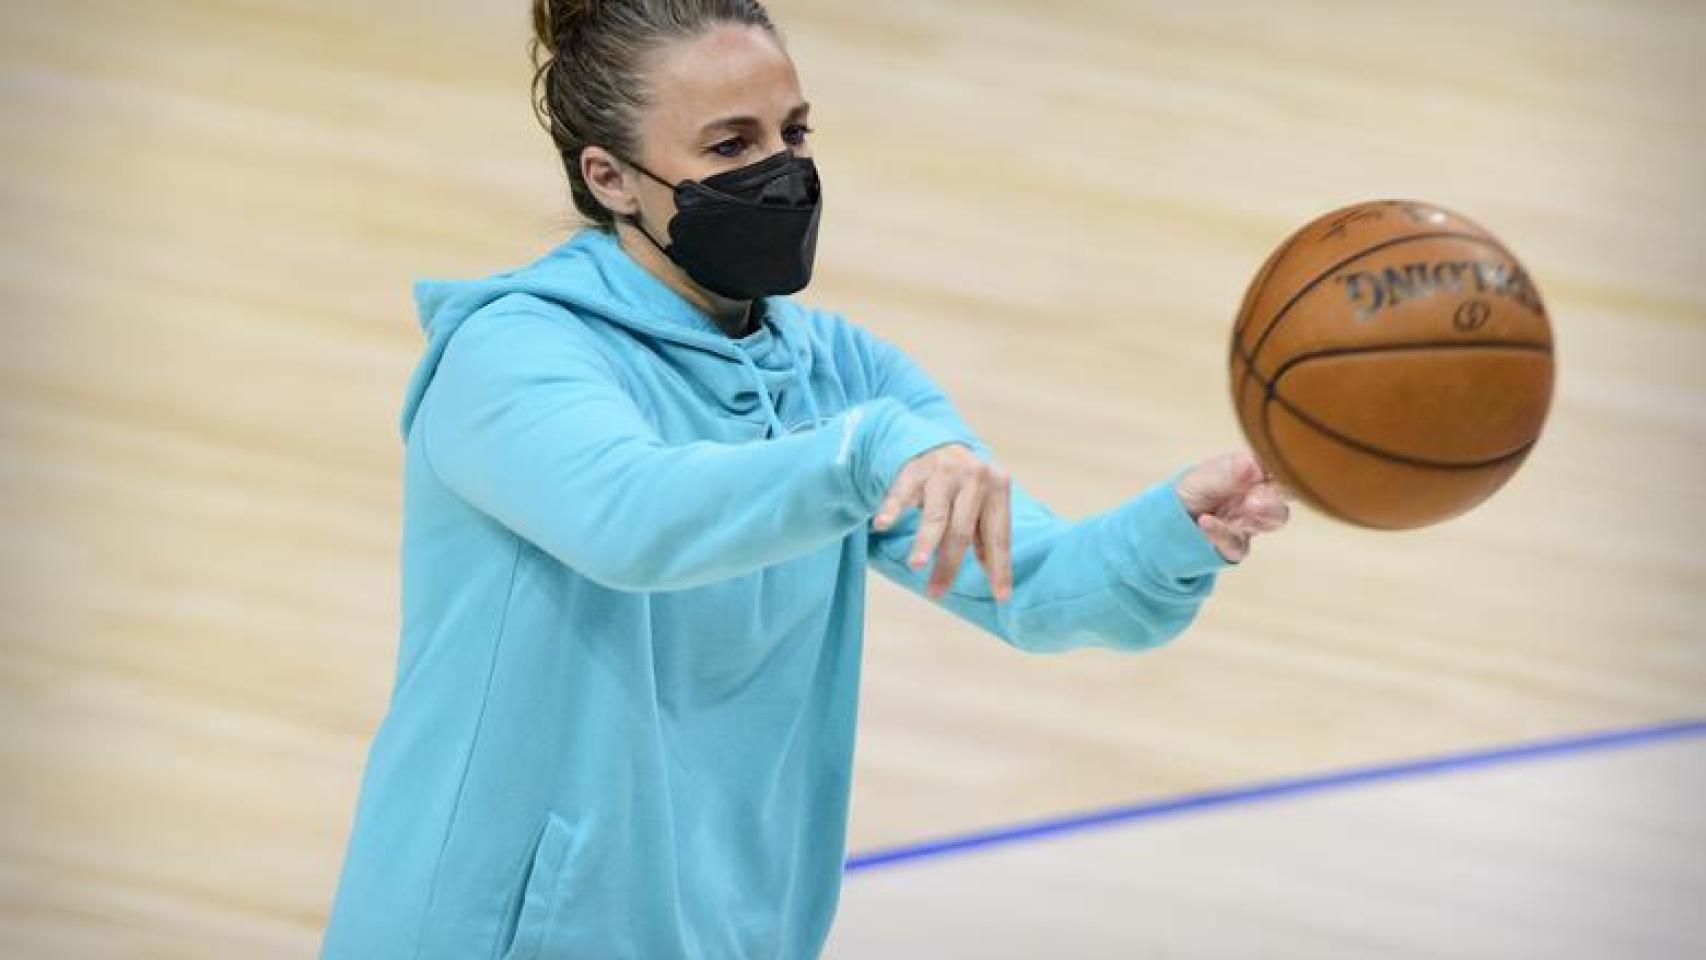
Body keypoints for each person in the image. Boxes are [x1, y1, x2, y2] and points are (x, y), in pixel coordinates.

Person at [317, 1, 1290, 957]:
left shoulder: (842, 377)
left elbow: (1028, 586)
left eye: (793, 131)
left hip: (740, 924)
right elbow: (633, 518)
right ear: (611, 178)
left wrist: (1169, 530)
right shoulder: (513, 354)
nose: (780, 171)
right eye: (730, 146)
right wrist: (857, 455)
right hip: (495, 932)